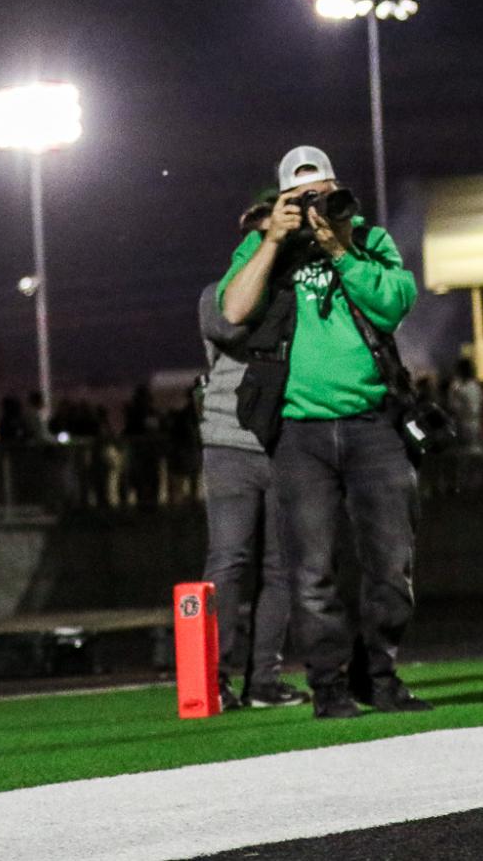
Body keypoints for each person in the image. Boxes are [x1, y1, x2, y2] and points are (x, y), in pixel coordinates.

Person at [219, 145, 428, 720]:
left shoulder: (367, 239)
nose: (314, 206)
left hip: (373, 423)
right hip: (299, 432)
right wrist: (271, 239)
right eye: (300, 197)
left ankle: (379, 676)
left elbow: (393, 305)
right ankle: (329, 686)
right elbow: (233, 309)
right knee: (311, 570)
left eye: (323, 192)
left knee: (392, 562)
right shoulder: (266, 244)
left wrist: (339, 246)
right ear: (282, 199)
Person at [196, 196, 309, 711]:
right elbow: (229, 325)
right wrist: (271, 250)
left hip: (286, 443)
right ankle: (211, 679)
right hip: (229, 443)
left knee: (282, 569)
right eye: (269, 230)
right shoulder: (218, 292)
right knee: (228, 562)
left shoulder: (300, 296)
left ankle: (263, 680)